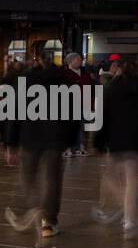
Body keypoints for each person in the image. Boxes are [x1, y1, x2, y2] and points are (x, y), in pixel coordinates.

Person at [5, 57, 78, 237]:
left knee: (27, 176)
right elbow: (73, 112)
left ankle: (36, 206)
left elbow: (13, 113)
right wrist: (70, 139)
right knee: (52, 179)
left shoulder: (24, 81)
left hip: (30, 136)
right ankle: (49, 222)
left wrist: (11, 143)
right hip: (55, 137)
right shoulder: (64, 80)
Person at [93, 58, 138, 233]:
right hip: (135, 142)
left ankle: (126, 210)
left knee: (109, 177)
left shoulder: (111, 89)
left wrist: (99, 142)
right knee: (132, 182)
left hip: (116, 140)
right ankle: (129, 219)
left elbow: (103, 116)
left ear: (118, 70)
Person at [63, 51, 94, 156]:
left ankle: (80, 146)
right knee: (69, 127)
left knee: (82, 126)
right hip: (69, 106)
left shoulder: (85, 75)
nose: (80, 61)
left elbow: (91, 89)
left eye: (80, 59)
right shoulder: (65, 75)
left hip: (84, 104)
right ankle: (69, 147)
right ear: (70, 61)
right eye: (77, 59)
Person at [1, 59, 22, 167]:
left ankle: (9, 150)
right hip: (12, 104)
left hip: (7, 105)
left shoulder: (9, 76)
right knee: (10, 127)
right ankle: (11, 150)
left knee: (8, 128)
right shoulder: (19, 76)